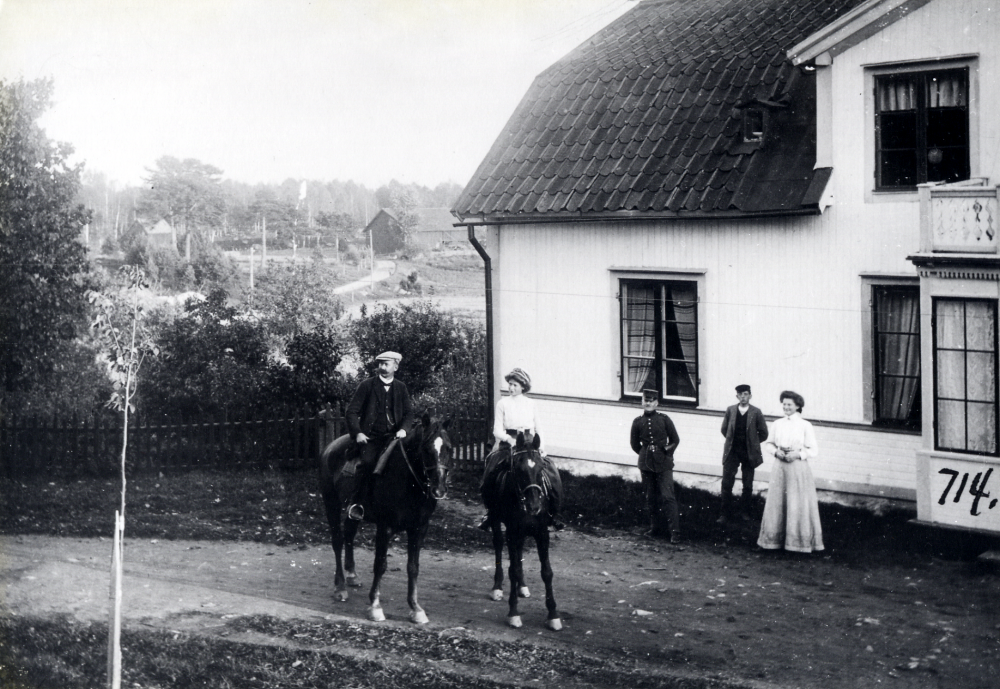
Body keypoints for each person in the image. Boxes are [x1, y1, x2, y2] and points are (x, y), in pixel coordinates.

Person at [478, 368, 562, 530]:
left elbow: (539, 428)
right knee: (491, 472)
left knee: (551, 472)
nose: (511, 388)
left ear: (523, 387)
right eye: (509, 384)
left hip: (530, 444)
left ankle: (553, 514)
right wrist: (509, 440)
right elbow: (497, 430)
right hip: (508, 444)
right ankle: (491, 513)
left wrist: (542, 447)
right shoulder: (502, 404)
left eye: (515, 385)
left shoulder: (531, 404)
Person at [344, 351, 414, 521]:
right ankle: (357, 504)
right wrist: (359, 433)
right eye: (380, 364)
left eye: (386, 364)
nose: (382, 367)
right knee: (367, 464)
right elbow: (351, 411)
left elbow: (409, 413)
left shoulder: (401, 387)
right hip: (371, 438)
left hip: (394, 438)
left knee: (408, 464)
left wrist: (404, 429)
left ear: (395, 366)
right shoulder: (367, 385)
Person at [757, 391, 824, 553]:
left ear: (798, 406)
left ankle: (797, 543)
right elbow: (769, 444)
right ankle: (775, 541)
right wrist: (775, 452)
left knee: (796, 502)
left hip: (797, 467)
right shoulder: (777, 424)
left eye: (790, 404)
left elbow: (813, 450)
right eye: (784, 404)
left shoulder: (805, 425)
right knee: (778, 501)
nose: (786, 407)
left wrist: (798, 454)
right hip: (780, 467)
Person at [629, 389, 681, 544]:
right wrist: (645, 454)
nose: (648, 403)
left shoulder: (665, 419)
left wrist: (665, 452)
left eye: (652, 400)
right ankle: (655, 528)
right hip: (645, 464)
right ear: (642, 402)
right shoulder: (637, 422)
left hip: (663, 463)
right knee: (650, 497)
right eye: (646, 400)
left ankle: (675, 532)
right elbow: (634, 444)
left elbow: (675, 440)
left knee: (667, 496)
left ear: (657, 403)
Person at [718, 384, 769, 524]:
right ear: (737, 396)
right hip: (732, 452)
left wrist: (752, 442)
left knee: (747, 484)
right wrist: (732, 441)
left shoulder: (756, 412)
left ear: (750, 396)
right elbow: (724, 430)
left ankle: (745, 512)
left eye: (745, 394)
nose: (743, 397)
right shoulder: (730, 410)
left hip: (749, 453)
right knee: (727, 483)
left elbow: (764, 433)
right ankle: (724, 514)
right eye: (740, 394)